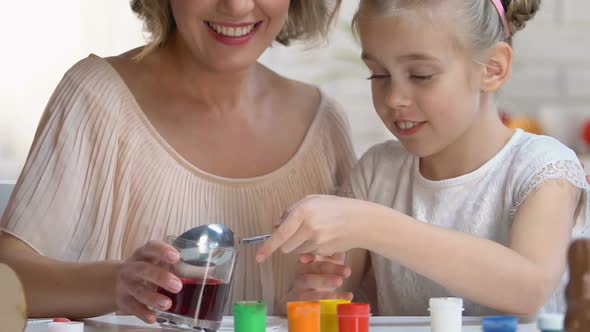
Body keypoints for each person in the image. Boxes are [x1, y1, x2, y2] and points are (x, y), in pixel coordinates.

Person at [0, 0, 367, 322]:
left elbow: (361, 300)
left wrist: (311, 304)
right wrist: (118, 284)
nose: (237, 6)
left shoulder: (325, 125)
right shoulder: (94, 98)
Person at [257, 0, 589, 316]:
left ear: (492, 68)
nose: (394, 98)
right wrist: (315, 293)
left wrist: (369, 224)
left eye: (420, 75)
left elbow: (530, 289)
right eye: (379, 74)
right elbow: (337, 296)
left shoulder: (544, 168)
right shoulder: (377, 173)